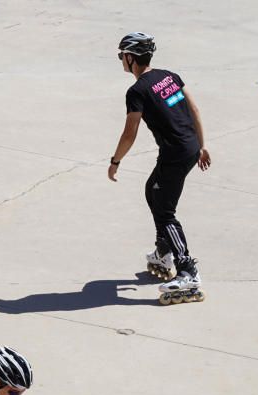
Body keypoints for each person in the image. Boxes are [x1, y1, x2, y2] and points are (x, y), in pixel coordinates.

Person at [107, 32, 212, 303]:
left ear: (130, 58)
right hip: (188, 147)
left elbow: (130, 132)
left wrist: (115, 161)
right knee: (152, 191)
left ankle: (187, 269)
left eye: (121, 55)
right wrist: (202, 145)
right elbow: (195, 109)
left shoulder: (137, 91)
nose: (120, 59)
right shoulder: (169, 76)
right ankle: (163, 253)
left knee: (165, 212)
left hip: (175, 153)